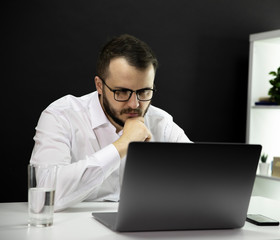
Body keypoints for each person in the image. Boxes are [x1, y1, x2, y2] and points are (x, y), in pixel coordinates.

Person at [29, 34, 191, 211]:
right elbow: (42, 198)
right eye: (122, 92)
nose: (134, 104)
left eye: (144, 91)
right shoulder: (61, 116)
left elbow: (200, 176)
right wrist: (122, 144)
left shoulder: (161, 123)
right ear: (99, 85)